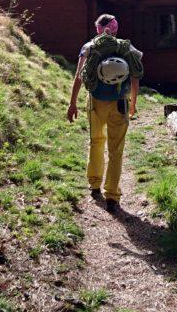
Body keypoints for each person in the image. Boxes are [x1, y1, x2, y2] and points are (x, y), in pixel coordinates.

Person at [66, 14, 144, 211]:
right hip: (120, 103)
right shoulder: (126, 48)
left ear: (98, 29)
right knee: (116, 149)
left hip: (95, 101)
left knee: (96, 141)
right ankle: (112, 195)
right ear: (115, 29)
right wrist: (133, 103)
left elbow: (79, 77)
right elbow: (135, 77)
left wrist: (72, 103)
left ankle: (94, 184)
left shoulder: (89, 47)